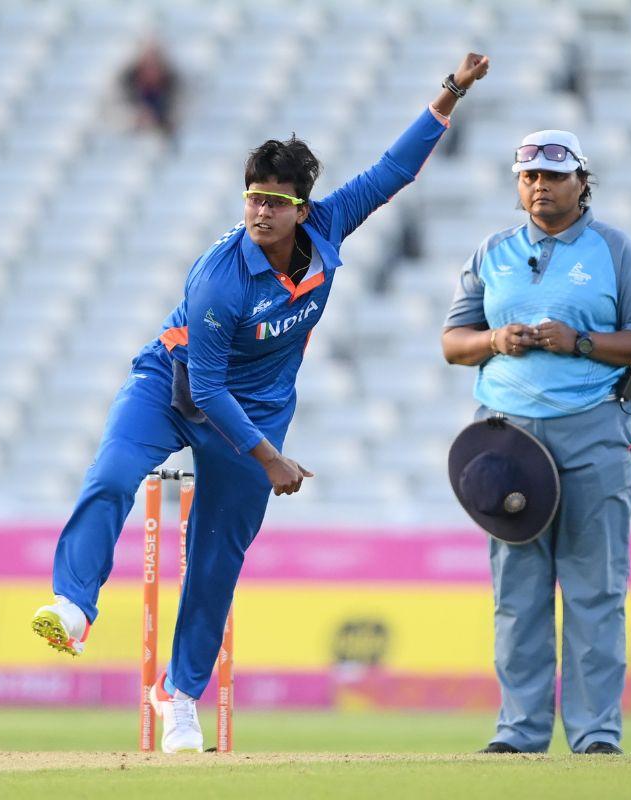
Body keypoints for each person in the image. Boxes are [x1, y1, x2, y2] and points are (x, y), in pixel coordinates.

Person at [34, 53, 491, 753]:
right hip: (175, 386)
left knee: (216, 558)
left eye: (275, 201)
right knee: (112, 476)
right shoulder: (220, 277)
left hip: (260, 407)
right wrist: (270, 458)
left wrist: (451, 91)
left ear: (302, 208)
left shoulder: (328, 227)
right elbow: (208, 387)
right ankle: (72, 605)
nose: (259, 211)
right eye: (251, 197)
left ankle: (178, 695)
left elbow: (393, 172)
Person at [441, 130, 631, 755]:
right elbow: (453, 342)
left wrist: (583, 342)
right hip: (506, 440)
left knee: (595, 590)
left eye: (553, 175)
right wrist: (495, 340)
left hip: (594, 431)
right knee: (518, 597)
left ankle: (596, 736)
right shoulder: (493, 252)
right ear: (518, 185)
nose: (540, 185)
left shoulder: (615, 251)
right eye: (529, 176)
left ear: (581, 182)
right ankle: (519, 733)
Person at [121, 39, 181, 139]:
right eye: (148, 65)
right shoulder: (126, 91)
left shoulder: (173, 94)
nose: (151, 70)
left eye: (154, 65)